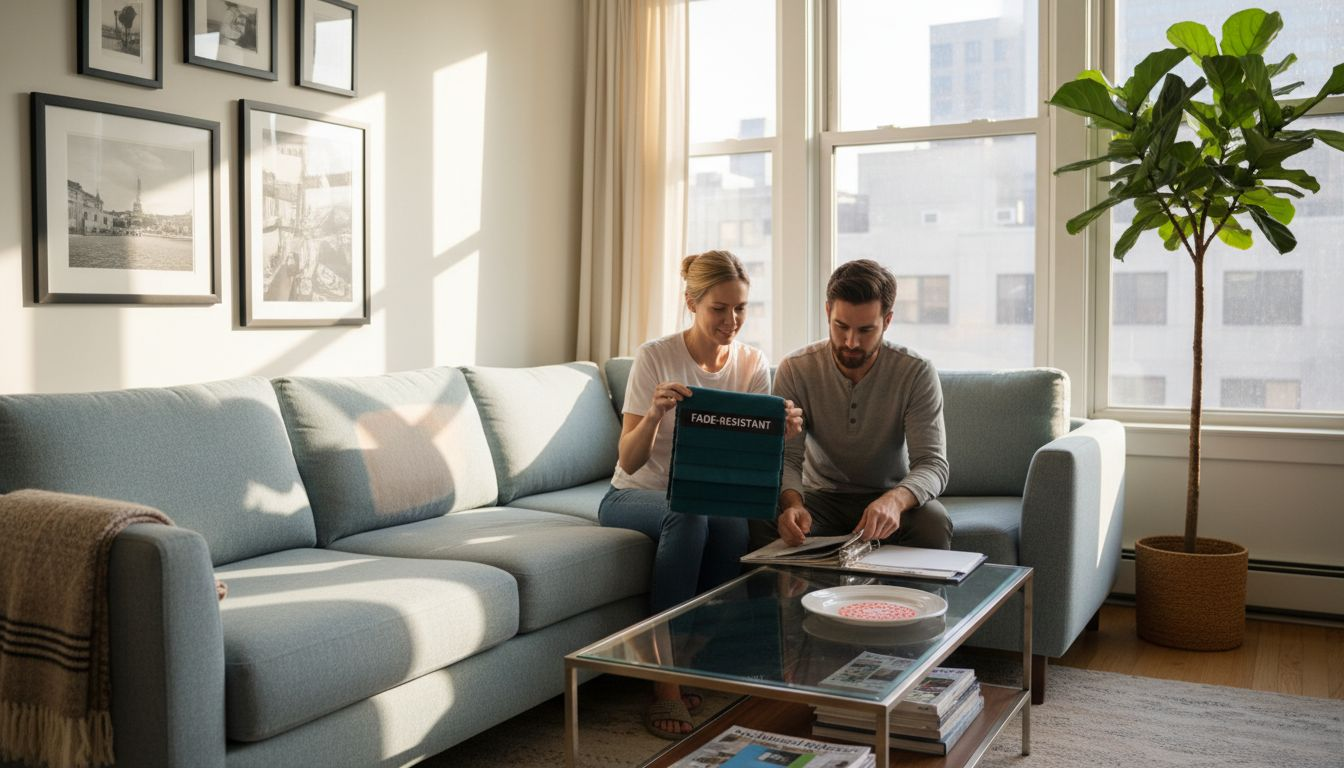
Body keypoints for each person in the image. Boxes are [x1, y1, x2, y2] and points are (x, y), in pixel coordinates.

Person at [599, 250, 802, 739]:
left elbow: (747, 462)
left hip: (708, 496)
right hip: (633, 496)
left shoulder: (752, 364)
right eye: (719, 309)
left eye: (741, 309)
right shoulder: (655, 356)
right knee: (688, 516)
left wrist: (780, 435)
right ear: (691, 302)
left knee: (730, 522)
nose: (731, 321)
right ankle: (663, 682)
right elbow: (627, 461)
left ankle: (693, 655)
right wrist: (653, 414)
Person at [769, 259, 952, 550]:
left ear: (887, 320)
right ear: (827, 312)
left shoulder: (916, 371)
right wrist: (793, 503)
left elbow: (933, 464)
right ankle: (786, 597)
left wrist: (895, 500)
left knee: (933, 522)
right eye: (841, 326)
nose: (851, 342)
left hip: (889, 496)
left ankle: (913, 598)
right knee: (766, 517)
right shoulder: (795, 368)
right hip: (820, 499)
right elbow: (787, 458)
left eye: (866, 330)